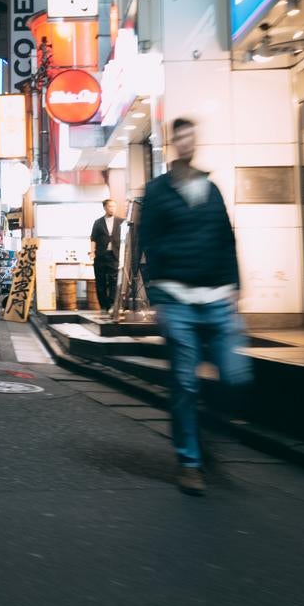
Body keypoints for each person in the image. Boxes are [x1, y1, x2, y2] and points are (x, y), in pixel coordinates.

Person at [139, 117, 250, 496]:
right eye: (181, 137)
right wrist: (156, 298)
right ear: (173, 143)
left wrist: (235, 286)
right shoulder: (157, 191)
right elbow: (148, 243)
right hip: (176, 297)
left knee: (236, 375)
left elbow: (226, 238)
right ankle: (189, 462)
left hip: (218, 296)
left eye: (192, 137)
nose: (187, 143)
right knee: (184, 382)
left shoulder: (211, 188)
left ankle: (206, 430)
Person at [91, 199, 123, 311]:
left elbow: (125, 239)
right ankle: (103, 305)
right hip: (100, 255)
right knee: (100, 281)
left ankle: (112, 304)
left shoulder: (121, 222)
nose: (112, 208)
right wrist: (92, 252)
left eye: (114, 206)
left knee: (114, 281)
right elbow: (93, 239)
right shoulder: (98, 222)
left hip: (115, 255)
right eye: (110, 206)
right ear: (105, 207)